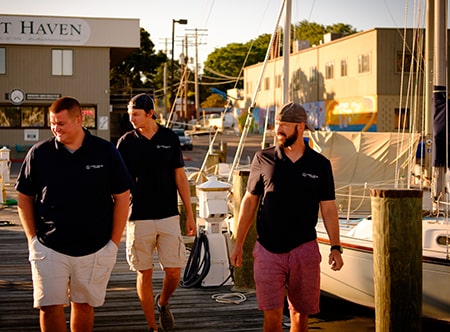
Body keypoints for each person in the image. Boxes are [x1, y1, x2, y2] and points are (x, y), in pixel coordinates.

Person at [16, 96, 132, 332]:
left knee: (84, 306)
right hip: (49, 246)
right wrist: (32, 240)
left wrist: (113, 243)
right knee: (49, 306)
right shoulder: (40, 153)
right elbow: (24, 197)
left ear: (79, 120)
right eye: (52, 123)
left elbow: (122, 197)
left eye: (61, 123)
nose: (55, 129)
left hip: (95, 247)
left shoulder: (105, 151)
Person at [230, 102, 344, 332]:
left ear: (300, 127)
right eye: (276, 124)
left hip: (305, 249)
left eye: (283, 125)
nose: (277, 130)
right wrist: (238, 242)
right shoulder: (264, 158)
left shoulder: (319, 164)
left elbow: (329, 208)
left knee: (300, 316)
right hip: (268, 250)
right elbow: (249, 201)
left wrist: (335, 247)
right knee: (272, 315)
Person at [116, 93, 196, 332]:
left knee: (173, 272)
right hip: (138, 217)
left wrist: (189, 214)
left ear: (150, 113)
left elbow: (180, 177)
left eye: (136, 114)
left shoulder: (169, 138)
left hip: (169, 214)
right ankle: (152, 327)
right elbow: (117, 184)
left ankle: (163, 303)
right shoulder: (126, 142)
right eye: (129, 115)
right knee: (144, 272)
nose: (131, 119)